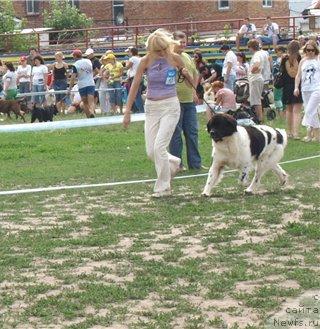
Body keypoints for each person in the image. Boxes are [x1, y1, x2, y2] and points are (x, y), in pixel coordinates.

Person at [123, 29, 193, 198]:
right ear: (150, 50)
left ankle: (163, 187)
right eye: (158, 51)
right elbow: (134, 85)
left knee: (159, 146)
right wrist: (127, 111)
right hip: (152, 107)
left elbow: (193, 82)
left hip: (170, 105)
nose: (162, 53)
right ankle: (173, 162)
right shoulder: (145, 61)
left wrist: (186, 73)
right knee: (151, 151)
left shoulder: (175, 58)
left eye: (164, 49)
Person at [169, 31, 202, 171]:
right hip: (174, 101)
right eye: (180, 42)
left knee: (192, 132)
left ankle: (195, 164)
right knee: (176, 134)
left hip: (189, 100)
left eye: (184, 42)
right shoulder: (169, 58)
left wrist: (194, 91)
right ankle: (177, 165)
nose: (183, 44)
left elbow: (195, 74)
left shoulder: (187, 56)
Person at [294, 41, 320, 142]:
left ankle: (308, 132)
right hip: (305, 89)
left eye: (312, 50)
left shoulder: (318, 59)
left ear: (315, 50)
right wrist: (296, 87)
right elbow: (298, 75)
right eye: (308, 50)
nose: (310, 52)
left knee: (309, 110)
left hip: (317, 88)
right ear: (305, 50)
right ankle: (316, 136)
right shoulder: (303, 61)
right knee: (312, 112)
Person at [281, 40, 303, 139]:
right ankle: (295, 133)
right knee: (297, 110)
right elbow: (294, 74)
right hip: (296, 85)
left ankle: (289, 132)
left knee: (289, 110)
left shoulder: (284, 58)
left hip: (286, 86)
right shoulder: (299, 58)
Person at [69, 49, 95, 118]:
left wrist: (70, 88)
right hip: (90, 83)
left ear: (75, 56)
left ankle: (88, 116)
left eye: (73, 56)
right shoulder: (88, 61)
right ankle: (92, 111)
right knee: (91, 101)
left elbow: (73, 77)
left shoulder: (75, 65)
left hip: (82, 85)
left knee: (85, 102)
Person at [247, 40, 267, 122]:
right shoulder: (262, 53)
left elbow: (257, 64)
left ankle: (259, 119)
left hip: (255, 79)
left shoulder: (256, 55)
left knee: (256, 101)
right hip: (259, 78)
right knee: (257, 99)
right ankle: (260, 117)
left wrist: (251, 71)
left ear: (251, 47)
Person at [125, 46, 144, 113]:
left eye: (129, 52)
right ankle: (139, 109)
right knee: (137, 95)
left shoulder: (132, 58)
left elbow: (127, 67)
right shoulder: (140, 58)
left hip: (134, 78)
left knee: (135, 95)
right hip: (140, 77)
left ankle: (141, 110)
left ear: (132, 52)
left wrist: (126, 63)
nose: (128, 53)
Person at [273, 46, 286, 117]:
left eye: (277, 51)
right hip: (285, 82)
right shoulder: (287, 58)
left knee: (277, 98)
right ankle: (284, 114)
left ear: (281, 51)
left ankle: (280, 115)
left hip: (278, 81)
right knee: (283, 98)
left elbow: (276, 72)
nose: (276, 53)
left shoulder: (279, 59)